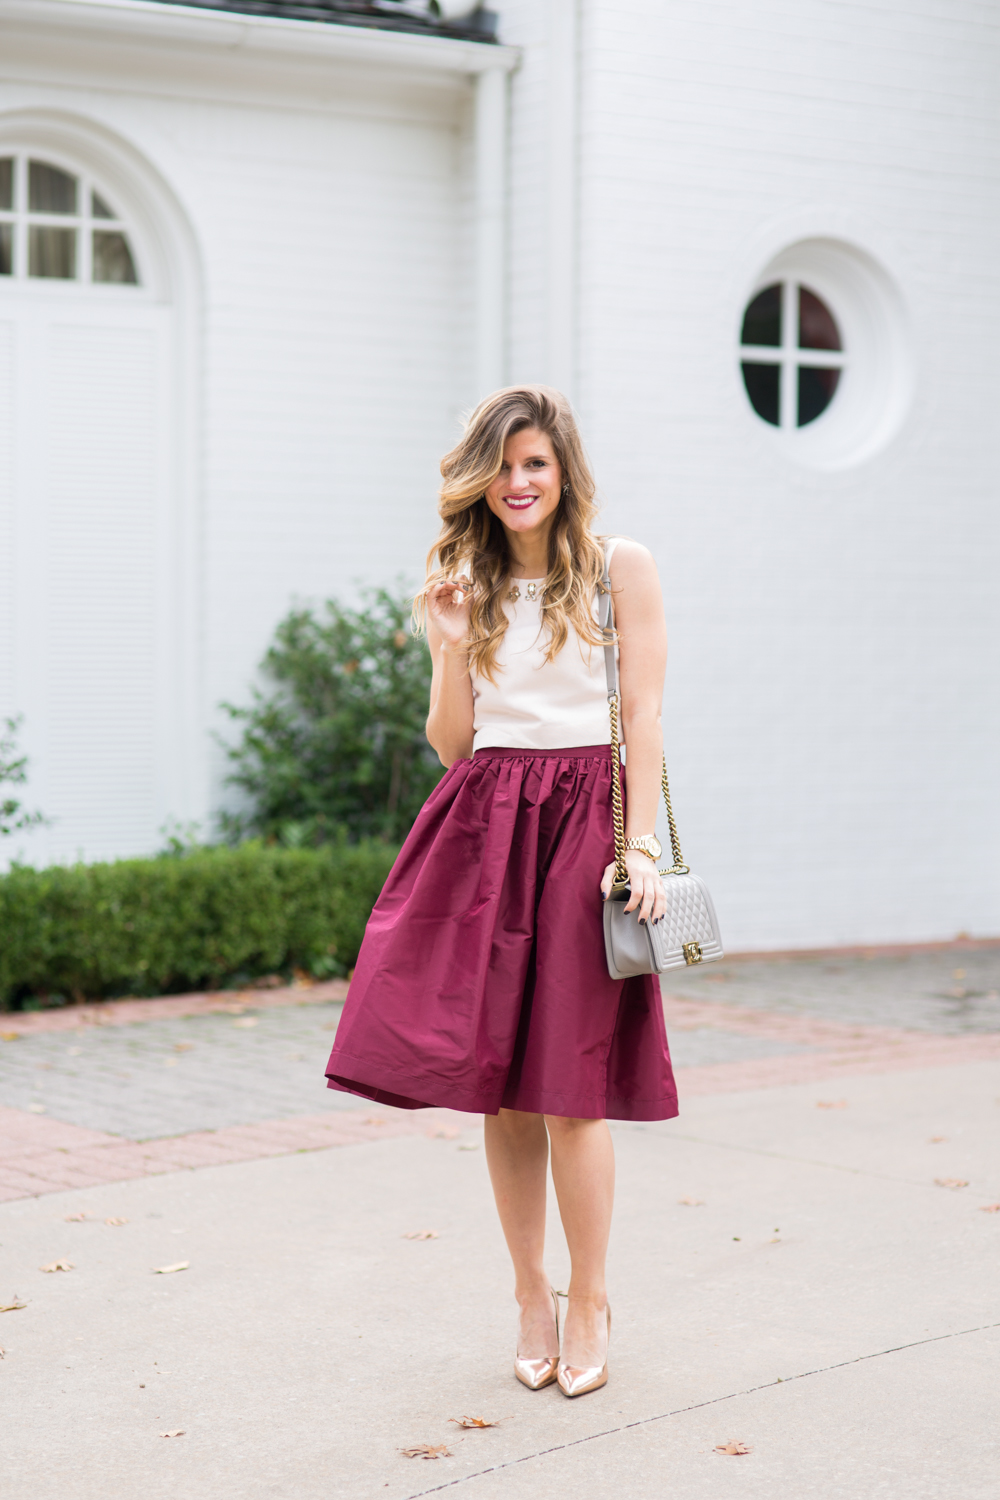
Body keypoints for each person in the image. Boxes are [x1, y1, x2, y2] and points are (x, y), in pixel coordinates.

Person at [326, 385, 677, 1397]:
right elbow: (452, 747)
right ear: (480, 479)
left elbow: (644, 714)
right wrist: (445, 644)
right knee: (501, 1090)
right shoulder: (462, 580)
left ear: (562, 471)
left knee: (570, 1093)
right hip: (484, 828)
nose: (518, 483)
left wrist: (639, 847)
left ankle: (593, 1296)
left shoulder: (620, 568)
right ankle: (531, 1293)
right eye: (502, 465)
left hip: (581, 828)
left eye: (534, 463)